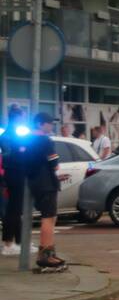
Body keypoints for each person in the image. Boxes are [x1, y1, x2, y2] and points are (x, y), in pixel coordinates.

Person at [21, 114, 69, 271]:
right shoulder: (45, 141)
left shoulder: (27, 139)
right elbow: (53, 162)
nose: (51, 126)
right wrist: (55, 173)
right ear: (40, 124)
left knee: (48, 216)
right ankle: (46, 256)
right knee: (49, 217)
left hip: (35, 181)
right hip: (47, 183)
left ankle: (49, 253)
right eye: (49, 123)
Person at [1, 105, 32, 256]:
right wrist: (21, 150)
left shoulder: (16, 133)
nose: (24, 119)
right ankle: (8, 243)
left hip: (18, 172)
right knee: (13, 209)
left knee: (17, 208)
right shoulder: (9, 134)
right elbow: (8, 155)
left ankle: (20, 242)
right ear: (18, 117)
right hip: (14, 173)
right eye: (23, 117)